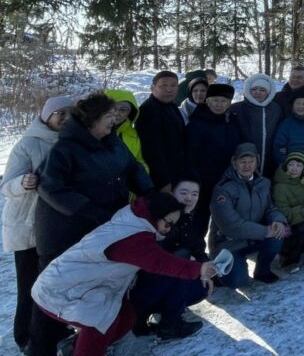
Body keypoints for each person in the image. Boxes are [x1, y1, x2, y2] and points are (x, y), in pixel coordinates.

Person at [31, 93, 152, 356]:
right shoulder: (65, 149)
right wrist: (92, 212)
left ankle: (83, 343)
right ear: (93, 120)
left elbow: (133, 170)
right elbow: (51, 187)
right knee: (54, 293)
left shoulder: (112, 143)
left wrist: (151, 197)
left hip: (98, 230)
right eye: (109, 116)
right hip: (63, 234)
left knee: (96, 290)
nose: (115, 120)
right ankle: (39, 349)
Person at [32, 193, 216, 355]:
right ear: (155, 216)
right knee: (101, 321)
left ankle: (73, 348)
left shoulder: (133, 219)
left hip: (87, 285)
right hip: (59, 289)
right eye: (168, 223)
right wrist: (198, 269)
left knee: (126, 315)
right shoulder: (135, 238)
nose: (169, 229)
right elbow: (158, 262)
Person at [1, 96, 72, 353]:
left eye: (69, 113)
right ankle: (24, 336)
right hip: (28, 226)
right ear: (46, 115)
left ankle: (54, 329)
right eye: (59, 113)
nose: (64, 118)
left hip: (56, 226)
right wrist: (23, 183)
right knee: (30, 285)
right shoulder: (28, 143)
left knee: (52, 284)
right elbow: (6, 185)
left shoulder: (71, 141)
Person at [130, 178, 212, 339]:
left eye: (194, 194)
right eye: (184, 193)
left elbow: (196, 245)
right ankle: (168, 323)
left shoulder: (188, 218)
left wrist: (205, 269)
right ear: (171, 194)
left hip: (157, 283)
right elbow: (157, 259)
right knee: (182, 260)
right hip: (138, 289)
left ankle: (161, 314)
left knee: (201, 286)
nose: (190, 198)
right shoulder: (159, 218)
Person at [209, 143, 287, 287]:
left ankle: (262, 271)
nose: (247, 166)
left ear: (257, 161)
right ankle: (220, 269)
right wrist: (265, 231)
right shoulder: (223, 189)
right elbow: (232, 226)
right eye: (243, 162)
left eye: (251, 162)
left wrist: (279, 221)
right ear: (234, 162)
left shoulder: (263, 183)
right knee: (238, 282)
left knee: (277, 235)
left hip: (253, 239)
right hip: (229, 243)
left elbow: (270, 208)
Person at [185, 82, 242, 242]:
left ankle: (219, 253)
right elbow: (190, 154)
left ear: (229, 103)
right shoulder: (197, 122)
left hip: (227, 180)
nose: (219, 104)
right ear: (208, 101)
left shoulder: (232, 122)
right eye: (215, 100)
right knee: (199, 220)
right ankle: (195, 253)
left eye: (224, 101)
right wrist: (195, 180)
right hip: (203, 181)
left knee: (223, 220)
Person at [135, 70, 186, 193]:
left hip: (176, 171)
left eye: (173, 85)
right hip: (161, 179)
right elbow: (151, 150)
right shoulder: (148, 110)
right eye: (164, 85)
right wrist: (163, 181)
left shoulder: (171, 106)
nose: (169, 89)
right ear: (153, 88)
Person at [230, 74, 283, 176]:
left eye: (262, 90)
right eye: (254, 89)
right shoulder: (237, 108)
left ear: (268, 92)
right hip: (244, 159)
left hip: (269, 158)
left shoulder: (275, 109)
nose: (257, 92)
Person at [104, 89, 149, 173]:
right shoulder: (90, 132)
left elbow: (141, 162)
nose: (117, 113)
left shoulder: (134, 136)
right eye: (113, 108)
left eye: (123, 110)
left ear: (130, 113)